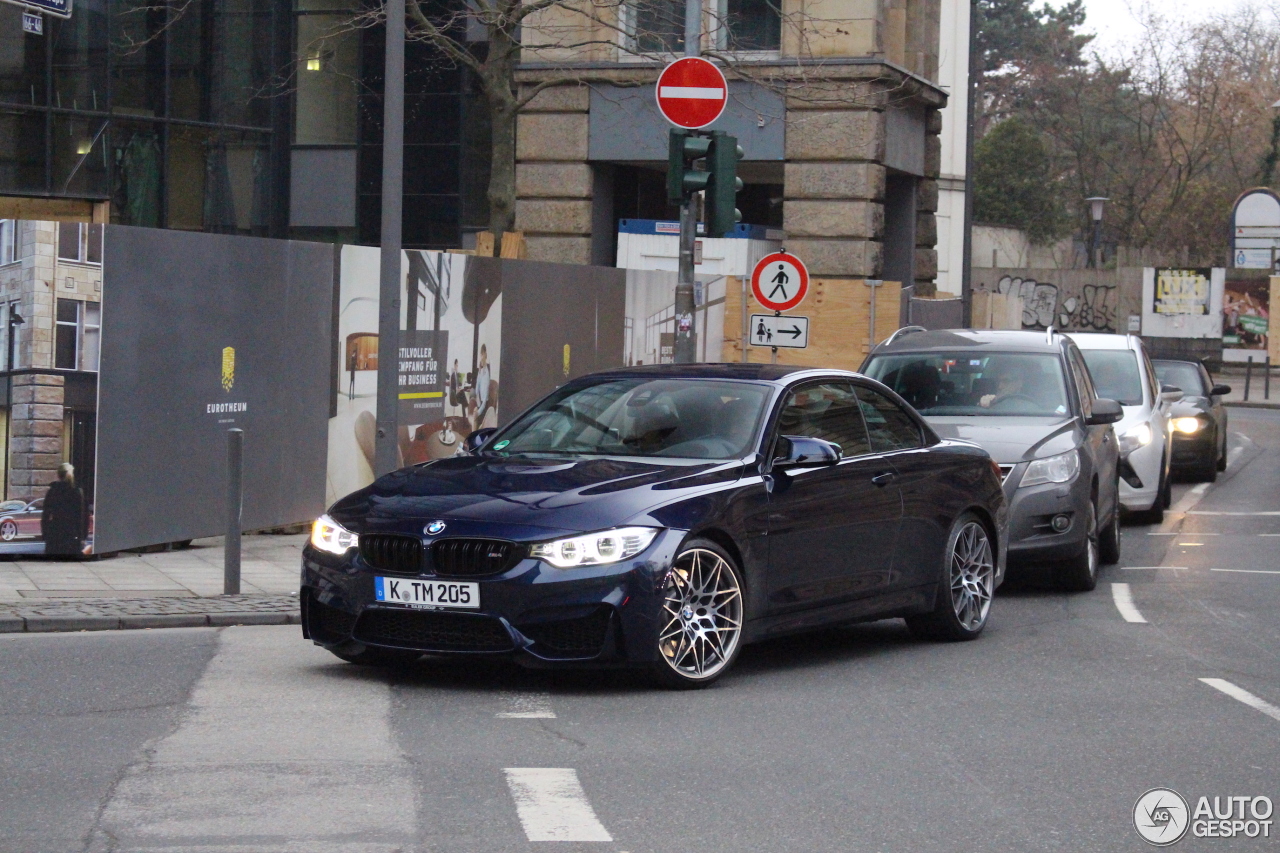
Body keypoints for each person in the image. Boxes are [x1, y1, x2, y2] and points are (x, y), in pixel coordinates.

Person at [41, 463, 86, 557]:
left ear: (58, 475)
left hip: (55, 532)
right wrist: (82, 536)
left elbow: (46, 514)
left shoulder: (52, 490)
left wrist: (45, 533)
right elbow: (82, 516)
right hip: (72, 533)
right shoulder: (76, 491)